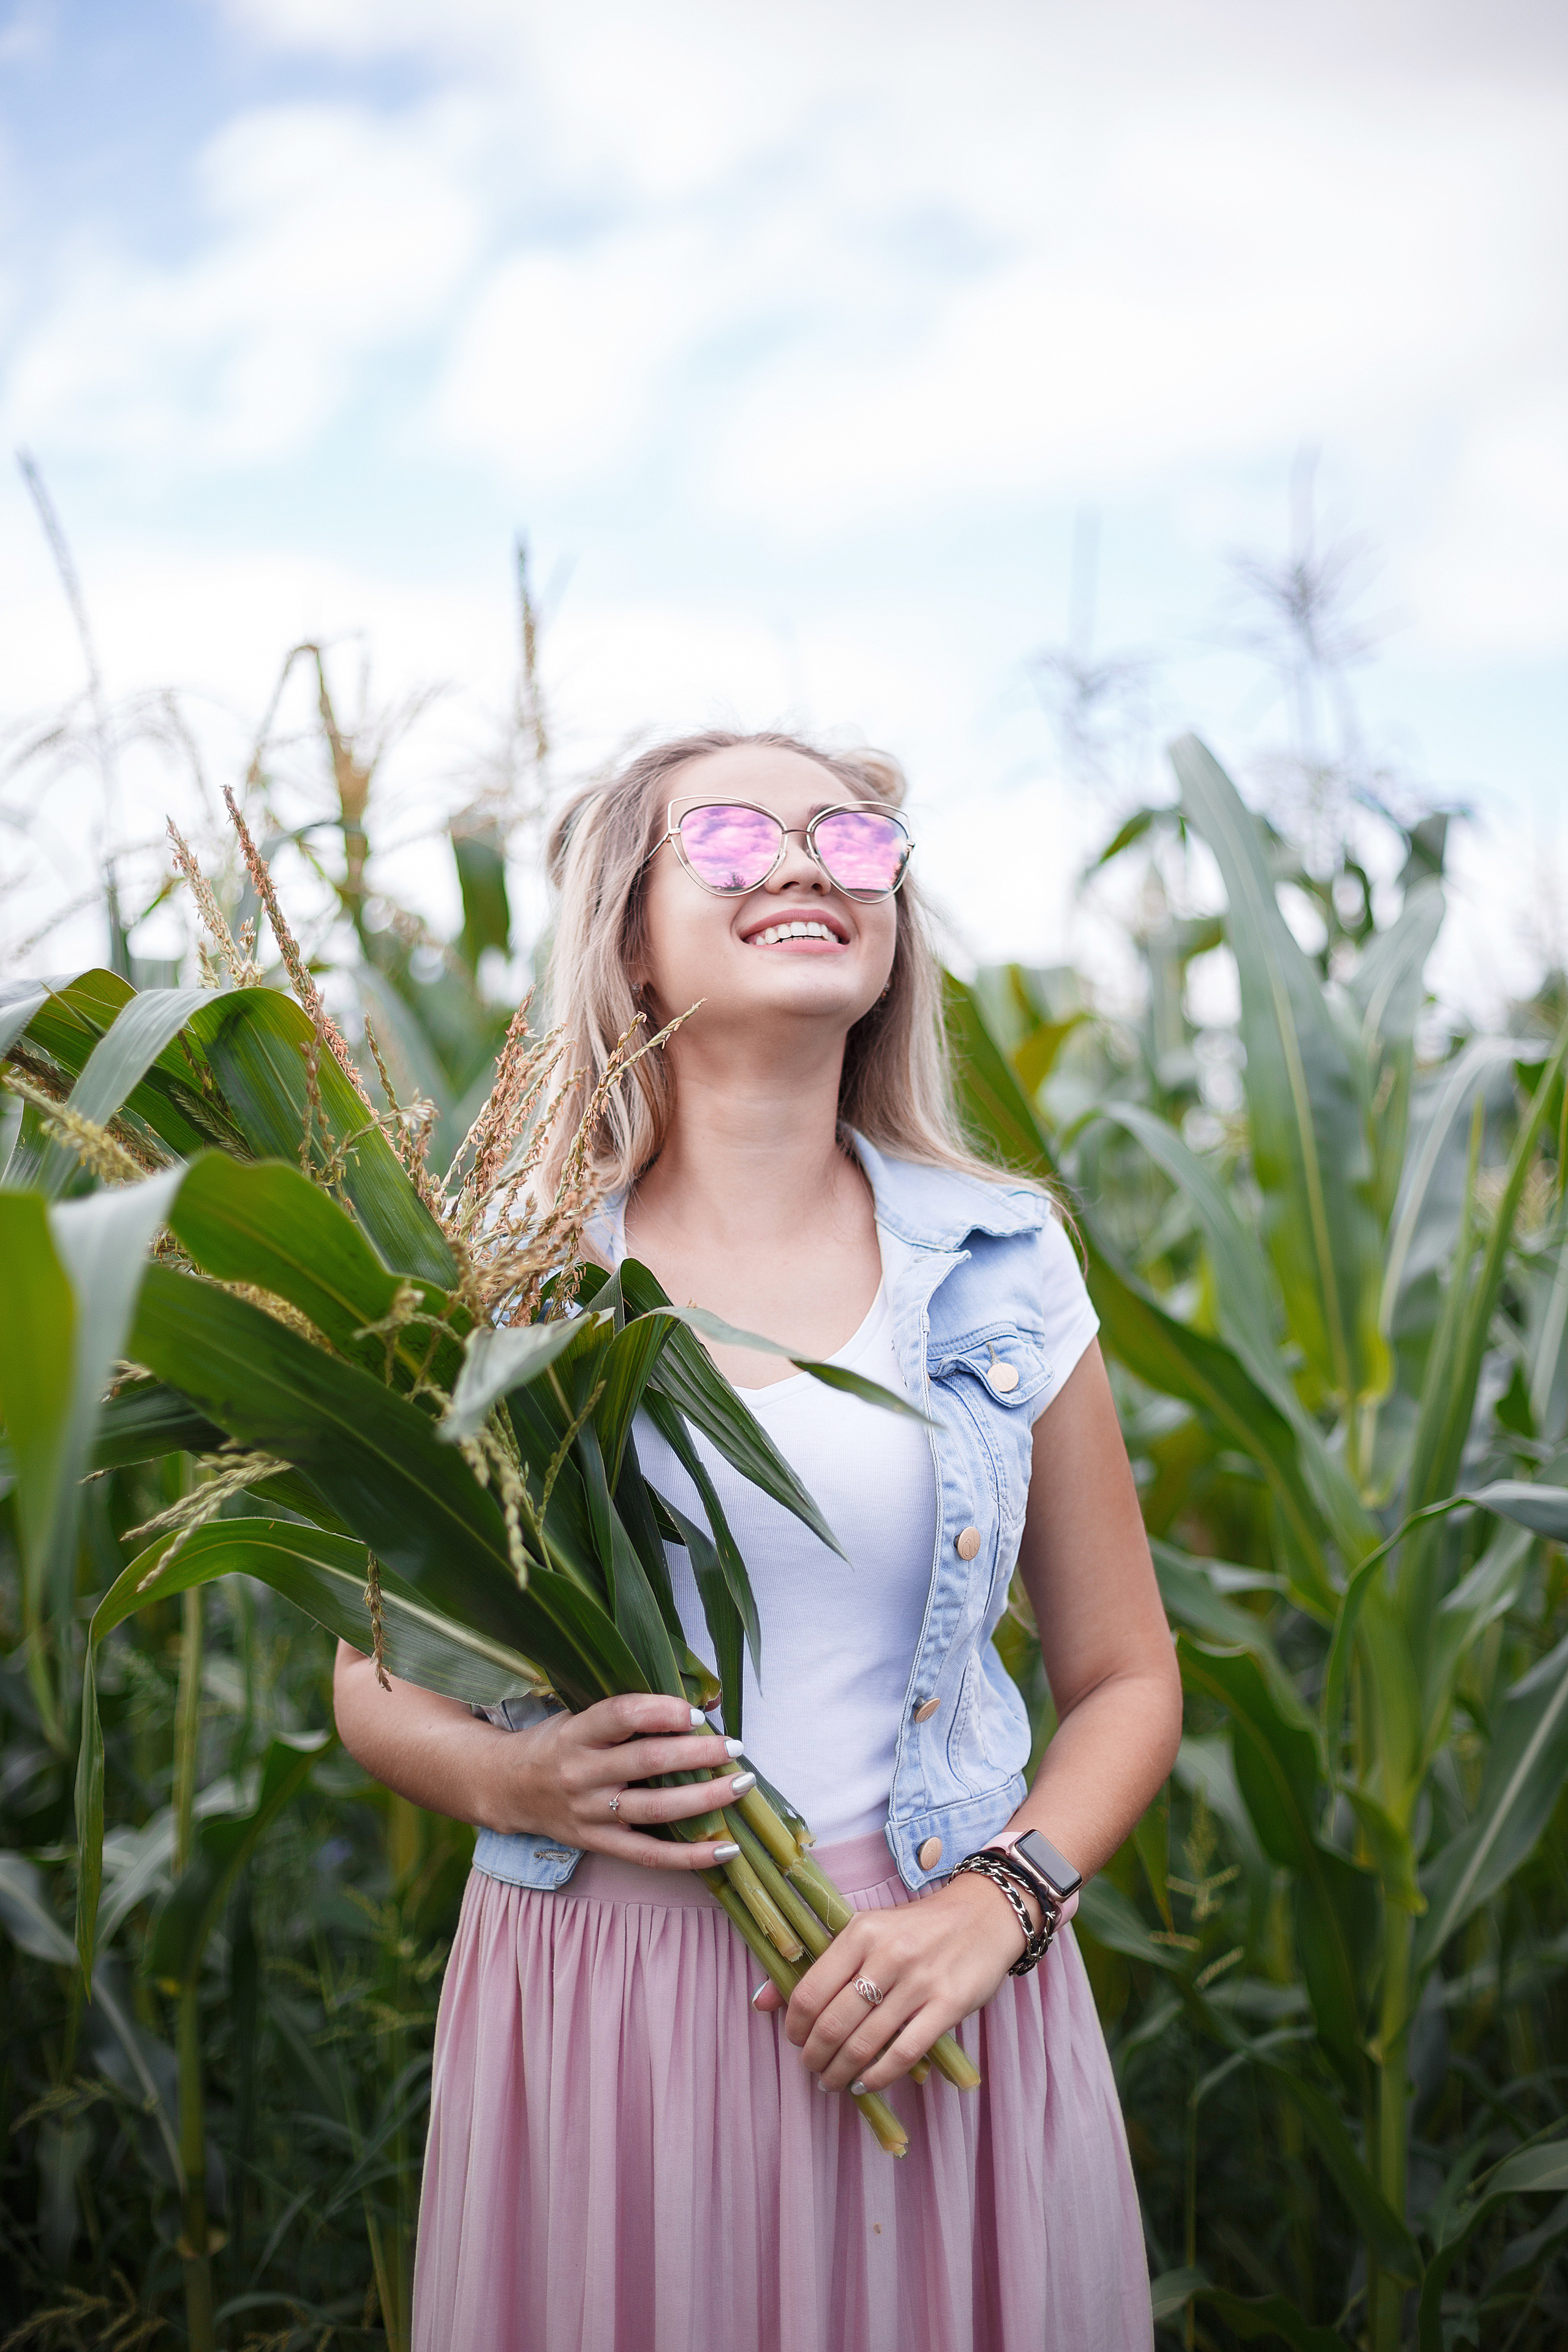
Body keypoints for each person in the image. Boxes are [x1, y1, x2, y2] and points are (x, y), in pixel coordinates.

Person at [334, 729, 1182, 2352]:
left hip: (930, 1981)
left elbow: (1128, 1675)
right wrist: (508, 1780)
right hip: (599, 2001)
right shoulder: (503, 1288)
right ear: (627, 923)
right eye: (731, 837)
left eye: (854, 842)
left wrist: (999, 1905)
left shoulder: (1008, 1268)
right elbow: (371, 1678)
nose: (804, 863)